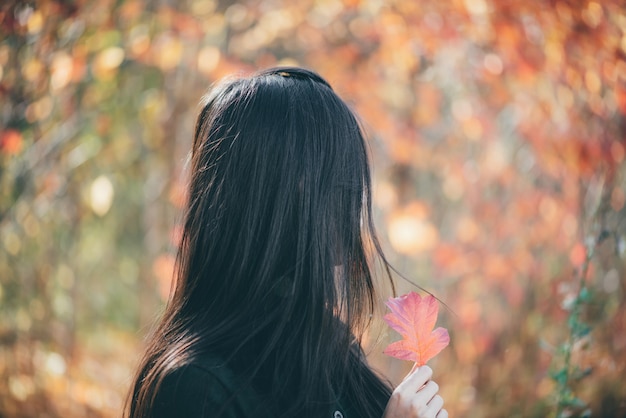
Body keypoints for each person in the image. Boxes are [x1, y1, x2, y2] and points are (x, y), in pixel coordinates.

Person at [126, 67, 448, 418]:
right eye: (339, 184)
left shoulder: (331, 354)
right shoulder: (195, 389)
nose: (354, 207)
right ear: (278, 198)